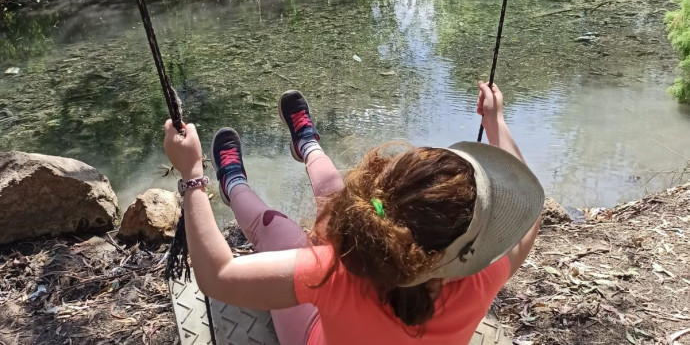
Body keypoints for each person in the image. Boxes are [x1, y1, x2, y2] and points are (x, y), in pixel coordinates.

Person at [163, 81, 544, 345]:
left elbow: (218, 276)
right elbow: (531, 214)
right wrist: (498, 123)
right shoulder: (481, 276)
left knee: (274, 229)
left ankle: (232, 184)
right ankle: (307, 144)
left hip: (313, 333)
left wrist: (193, 176)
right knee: (337, 198)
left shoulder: (335, 276)